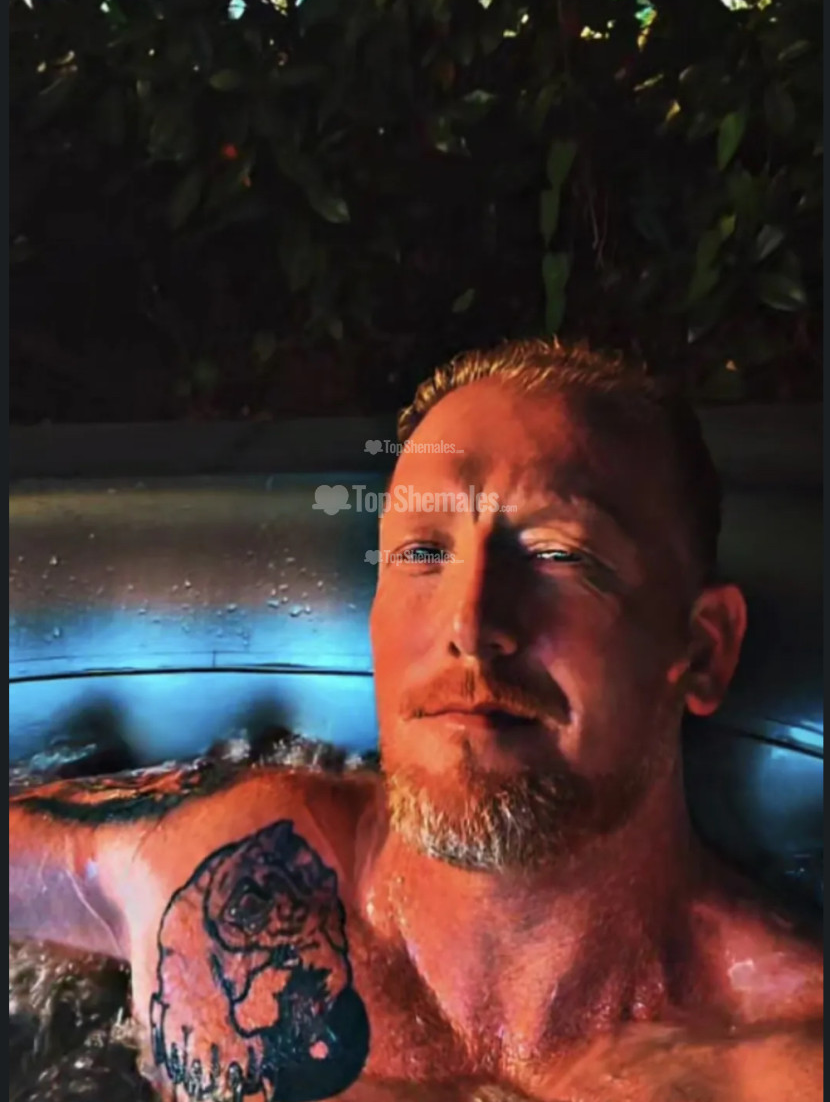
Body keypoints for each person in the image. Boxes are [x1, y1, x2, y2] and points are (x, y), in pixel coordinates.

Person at [9, 340, 823, 1102]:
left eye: (559, 554)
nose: (470, 623)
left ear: (703, 650)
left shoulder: (782, 1065)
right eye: (424, 553)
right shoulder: (212, 871)